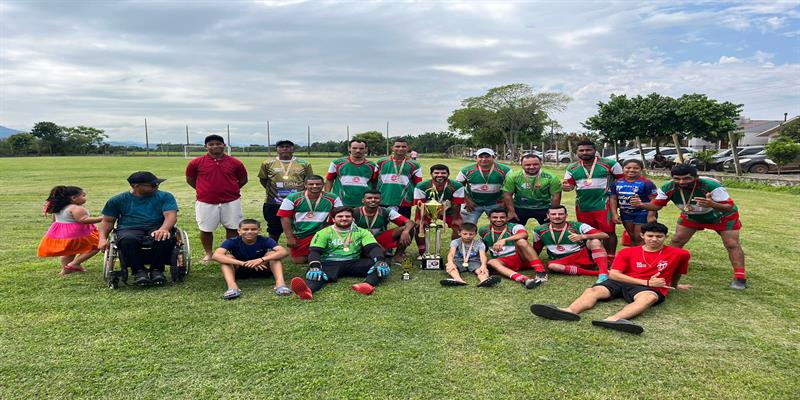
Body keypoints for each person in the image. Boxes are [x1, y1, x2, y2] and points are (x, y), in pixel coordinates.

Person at [531, 222, 691, 334]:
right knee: (593, 290)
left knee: (647, 298)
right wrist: (647, 281)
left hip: (649, 288)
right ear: (642, 235)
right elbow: (614, 274)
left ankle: (615, 319)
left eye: (659, 236)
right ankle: (569, 311)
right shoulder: (627, 252)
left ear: (665, 237)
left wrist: (675, 285)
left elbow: (677, 271)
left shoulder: (680, 254)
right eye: (650, 236)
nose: (654, 239)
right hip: (624, 281)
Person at [630, 164, 747, 289]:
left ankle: (740, 277)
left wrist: (712, 204)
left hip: (722, 217)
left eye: (686, 178)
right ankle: (665, 272)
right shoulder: (668, 187)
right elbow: (656, 205)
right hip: (692, 216)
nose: (681, 182)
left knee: (731, 243)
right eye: (677, 179)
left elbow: (728, 207)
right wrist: (641, 205)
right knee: (676, 241)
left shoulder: (711, 186)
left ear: (696, 177)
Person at [290, 207, 391, 299]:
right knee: (315, 272)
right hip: (330, 262)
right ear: (333, 219)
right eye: (340, 216)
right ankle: (307, 291)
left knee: (382, 263)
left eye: (348, 216)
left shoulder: (362, 232)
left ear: (352, 219)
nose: (344, 218)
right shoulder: (323, 233)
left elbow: (372, 248)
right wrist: (314, 265)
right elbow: (315, 252)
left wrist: (380, 260)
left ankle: (367, 285)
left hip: (353, 262)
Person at [98, 171, 179, 286]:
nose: (157, 186)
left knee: (163, 237)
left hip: (157, 226)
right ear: (136, 186)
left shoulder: (165, 196)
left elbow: (171, 215)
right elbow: (107, 221)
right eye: (153, 185)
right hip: (129, 227)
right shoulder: (117, 200)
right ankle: (138, 271)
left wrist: (164, 229)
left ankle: (157, 270)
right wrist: (102, 238)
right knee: (127, 239)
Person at [562, 140, 623, 275]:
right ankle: (592, 258)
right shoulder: (571, 168)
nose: (584, 153)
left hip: (604, 203)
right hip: (583, 205)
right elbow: (570, 186)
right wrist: (566, 187)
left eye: (588, 150)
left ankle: (611, 258)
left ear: (595, 150)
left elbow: (621, 181)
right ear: (576, 152)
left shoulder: (610, 164)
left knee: (609, 232)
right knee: (587, 233)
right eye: (581, 151)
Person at [186, 134, 248, 264]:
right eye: (211, 144)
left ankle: (228, 252)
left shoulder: (235, 162)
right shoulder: (195, 162)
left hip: (231, 201)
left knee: (232, 228)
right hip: (205, 201)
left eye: (218, 143)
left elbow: (243, 180)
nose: (215, 146)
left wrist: (230, 190)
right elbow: (190, 180)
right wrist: (204, 190)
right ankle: (209, 253)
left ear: (224, 145)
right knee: (206, 229)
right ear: (206, 146)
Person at [212, 219, 291, 300]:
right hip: (240, 270)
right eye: (245, 229)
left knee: (273, 255)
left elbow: (283, 252)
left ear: (259, 230)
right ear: (239, 231)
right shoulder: (232, 241)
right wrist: (241, 263)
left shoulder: (265, 240)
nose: (249, 232)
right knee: (227, 257)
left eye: (253, 229)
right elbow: (216, 256)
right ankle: (232, 287)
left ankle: (280, 284)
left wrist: (261, 260)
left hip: (262, 268)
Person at [532, 205, 610, 281]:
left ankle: (603, 273)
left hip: (582, 257)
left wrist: (583, 236)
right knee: (552, 266)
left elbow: (604, 235)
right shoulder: (539, 230)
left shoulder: (578, 226)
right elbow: (536, 249)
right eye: (553, 214)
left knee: (595, 241)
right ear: (548, 216)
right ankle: (596, 273)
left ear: (566, 215)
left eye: (561, 214)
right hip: (561, 261)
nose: (557, 216)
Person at [277, 175, 342, 264]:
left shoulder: (333, 198)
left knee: (328, 258)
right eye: (311, 184)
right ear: (305, 185)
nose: (315, 186)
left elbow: (341, 215)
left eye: (318, 184)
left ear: (323, 184)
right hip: (301, 234)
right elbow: (285, 218)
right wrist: (290, 237)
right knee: (298, 261)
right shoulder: (292, 198)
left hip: (323, 232)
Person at [37, 186, 101, 276]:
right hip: (76, 234)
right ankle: (75, 264)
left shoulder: (59, 207)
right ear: (74, 198)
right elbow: (83, 220)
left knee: (69, 252)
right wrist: (102, 218)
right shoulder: (76, 208)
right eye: (83, 196)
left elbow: (55, 220)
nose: (85, 198)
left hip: (62, 234)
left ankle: (66, 270)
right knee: (96, 246)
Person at [258, 139, 313, 241]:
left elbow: (309, 181)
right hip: (273, 202)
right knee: (274, 229)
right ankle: (273, 248)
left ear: (293, 149)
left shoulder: (304, 163)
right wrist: (274, 191)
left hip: (297, 202)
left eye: (288, 146)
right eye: (281, 147)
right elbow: (263, 180)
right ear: (277, 149)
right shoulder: (267, 163)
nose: (285, 149)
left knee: (298, 227)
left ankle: (299, 248)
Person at [482, 208, 547, 289]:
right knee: (492, 262)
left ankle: (541, 271)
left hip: (522, 258)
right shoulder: (483, 230)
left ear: (507, 218)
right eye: (495, 217)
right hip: (505, 262)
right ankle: (523, 279)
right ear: (489, 218)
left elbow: (524, 234)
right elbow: (482, 249)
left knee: (521, 241)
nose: (498, 220)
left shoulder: (515, 226)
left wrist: (504, 240)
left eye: (502, 217)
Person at [413, 164, 466, 254]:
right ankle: (422, 250)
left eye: (443, 173)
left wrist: (456, 218)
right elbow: (420, 205)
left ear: (448, 174)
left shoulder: (457, 186)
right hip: (427, 211)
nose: (440, 175)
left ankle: (455, 250)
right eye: (436, 173)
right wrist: (421, 219)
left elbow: (457, 204)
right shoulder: (421, 186)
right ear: (431, 174)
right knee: (419, 225)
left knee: (459, 226)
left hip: (448, 210)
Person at [351, 190, 415, 263]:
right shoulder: (354, 212)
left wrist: (406, 232)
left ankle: (397, 256)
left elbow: (410, 222)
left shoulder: (386, 211)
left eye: (376, 198)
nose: (373, 200)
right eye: (369, 198)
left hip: (379, 238)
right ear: (363, 200)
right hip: (360, 240)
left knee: (408, 228)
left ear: (381, 200)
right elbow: (347, 231)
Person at [502, 153, 562, 226]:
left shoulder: (551, 178)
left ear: (541, 164)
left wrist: (553, 213)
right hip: (520, 207)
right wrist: (511, 211)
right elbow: (507, 195)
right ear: (521, 165)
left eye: (535, 164)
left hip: (544, 207)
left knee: (553, 228)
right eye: (527, 165)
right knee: (511, 229)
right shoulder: (513, 177)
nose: (532, 167)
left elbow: (556, 196)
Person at [609, 159, 658, 247]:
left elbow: (654, 200)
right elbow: (613, 198)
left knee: (639, 237)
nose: (631, 170)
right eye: (628, 168)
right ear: (623, 169)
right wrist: (614, 214)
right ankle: (634, 257)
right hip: (626, 213)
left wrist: (651, 215)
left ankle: (643, 256)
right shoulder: (616, 183)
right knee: (632, 237)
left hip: (643, 213)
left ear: (641, 170)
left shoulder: (646, 183)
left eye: (636, 168)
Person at [457, 148, 511, 224]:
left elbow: (511, 187)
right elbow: (458, 187)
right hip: (473, 203)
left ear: (494, 157)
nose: (484, 159)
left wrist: (505, 201)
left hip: (496, 203)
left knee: (500, 225)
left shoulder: (505, 170)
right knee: (467, 227)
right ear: (476, 158)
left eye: (487, 156)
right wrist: (467, 200)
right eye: (481, 157)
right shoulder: (466, 170)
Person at [441, 222, 500, 288]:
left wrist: (483, 265)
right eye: (465, 234)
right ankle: (458, 279)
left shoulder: (479, 244)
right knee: (450, 267)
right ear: (459, 233)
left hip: (474, 261)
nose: (468, 236)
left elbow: (483, 256)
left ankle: (484, 280)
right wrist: (450, 262)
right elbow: (451, 254)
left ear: (475, 234)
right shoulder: (455, 242)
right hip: (458, 261)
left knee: (481, 270)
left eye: (471, 234)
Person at [375, 138, 423, 219]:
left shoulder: (414, 165)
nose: (400, 148)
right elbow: (374, 180)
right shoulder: (381, 162)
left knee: (405, 226)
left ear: (407, 148)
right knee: (381, 225)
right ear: (392, 148)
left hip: (404, 200)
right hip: (384, 199)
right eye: (397, 146)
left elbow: (418, 184)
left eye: (403, 146)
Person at [325, 139, 378, 207]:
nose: (358, 150)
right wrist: (328, 197)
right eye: (354, 148)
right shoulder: (337, 163)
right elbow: (329, 180)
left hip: (363, 204)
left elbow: (374, 184)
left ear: (366, 149)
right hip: (341, 203)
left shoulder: (372, 166)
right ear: (349, 148)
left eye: (361, 148)